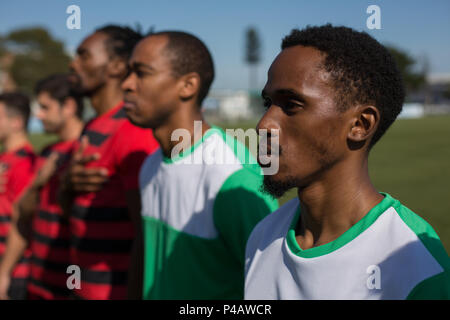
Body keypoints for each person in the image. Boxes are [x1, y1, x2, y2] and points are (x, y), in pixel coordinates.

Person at [244, 24, 450, 300]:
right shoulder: (262, 237)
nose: (264, 124)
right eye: (267, 103)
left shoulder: (416, 265)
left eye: (291, 105)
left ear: (360, 125)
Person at [122, 30, 278, 299]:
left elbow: (272, 288)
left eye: (142, 72)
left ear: (188, 86)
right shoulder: (151, 164)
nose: (127, 84)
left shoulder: (234, 177)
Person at [61, 25, 159, 300]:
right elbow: (77, 215)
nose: (73, 63)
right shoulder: (93, 125)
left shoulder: (132, 131)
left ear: (116, 66)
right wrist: (66, 187)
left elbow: (146, 234)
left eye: (84, 55)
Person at [0, 74, 84, 300]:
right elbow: (24, 214)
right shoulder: (47, 153)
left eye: (45, 108)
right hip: (37, 281)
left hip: (70, 282)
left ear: (68, 106)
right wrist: (37, 184)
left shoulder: (83, 151)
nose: (38, 115)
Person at [0, 92, 36, 299]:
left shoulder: (25, 163)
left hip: (14, 272)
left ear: (17, 122)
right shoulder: (6, 158)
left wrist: (4, 273)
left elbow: (23, 220)